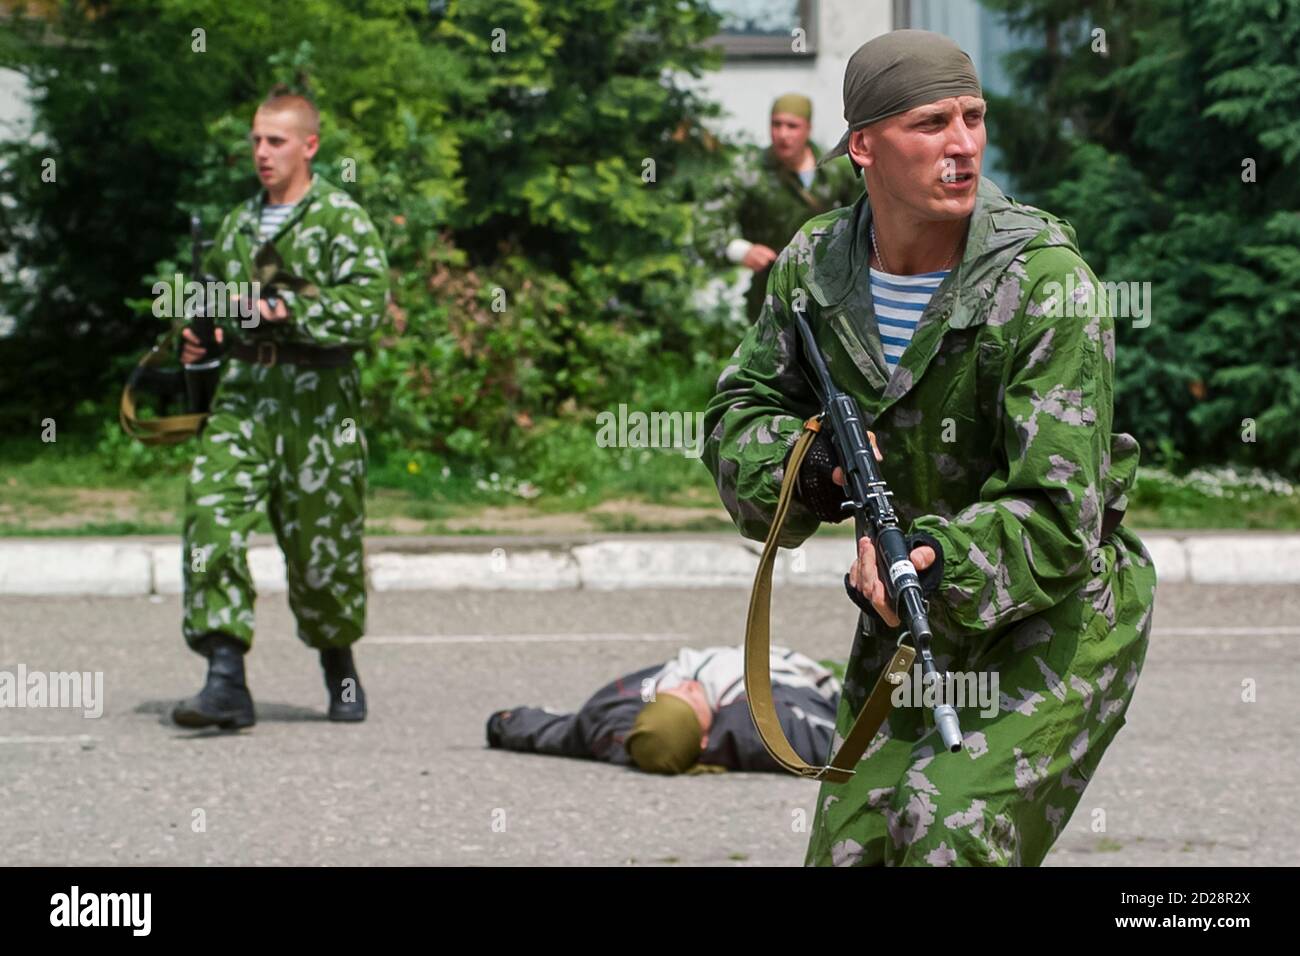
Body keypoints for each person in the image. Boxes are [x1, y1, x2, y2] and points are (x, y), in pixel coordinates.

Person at [701, 30, 1156, 865]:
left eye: (973, 118)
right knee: (851, 854)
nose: (962, 145)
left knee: (947, 836)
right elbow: (739, 413)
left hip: (1053, 616)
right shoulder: (816, 266)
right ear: (864, 146)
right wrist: (818, 470)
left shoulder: (1045, 282)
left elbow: (1058, 516)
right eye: (931, 123)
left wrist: (927, 556)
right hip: (904, 621)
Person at [172, 86, 390, 729]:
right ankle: (224, 677)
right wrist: (199, 336)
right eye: (256, 141)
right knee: (209, 514)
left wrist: (290, 308)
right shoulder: (238, 225)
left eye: (275, 141)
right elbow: (215, 304)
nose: (262, 153)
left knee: (323, 554)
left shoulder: (341, 219)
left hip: (319, 409)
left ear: (309, 146)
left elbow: (367, 305)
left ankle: (338, 665)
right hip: (244, 400)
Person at [486, 646, 841, 774]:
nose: (683, 687)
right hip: (788, 671)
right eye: (688, 699)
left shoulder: (616, 728)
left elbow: (560, 731)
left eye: (674, 694)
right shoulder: (761, 727)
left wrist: (505, 724)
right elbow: (840, 745)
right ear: (704, 738)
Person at [715, 93, 863, 322]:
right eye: (776, 124)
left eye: (792, 126)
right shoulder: (749, 172)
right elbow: (710, 223)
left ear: (808, 129)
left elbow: (868, 219)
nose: (783, 134)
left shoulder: (836, 171)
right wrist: (742, 250)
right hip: (770, 295)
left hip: (830, 295)